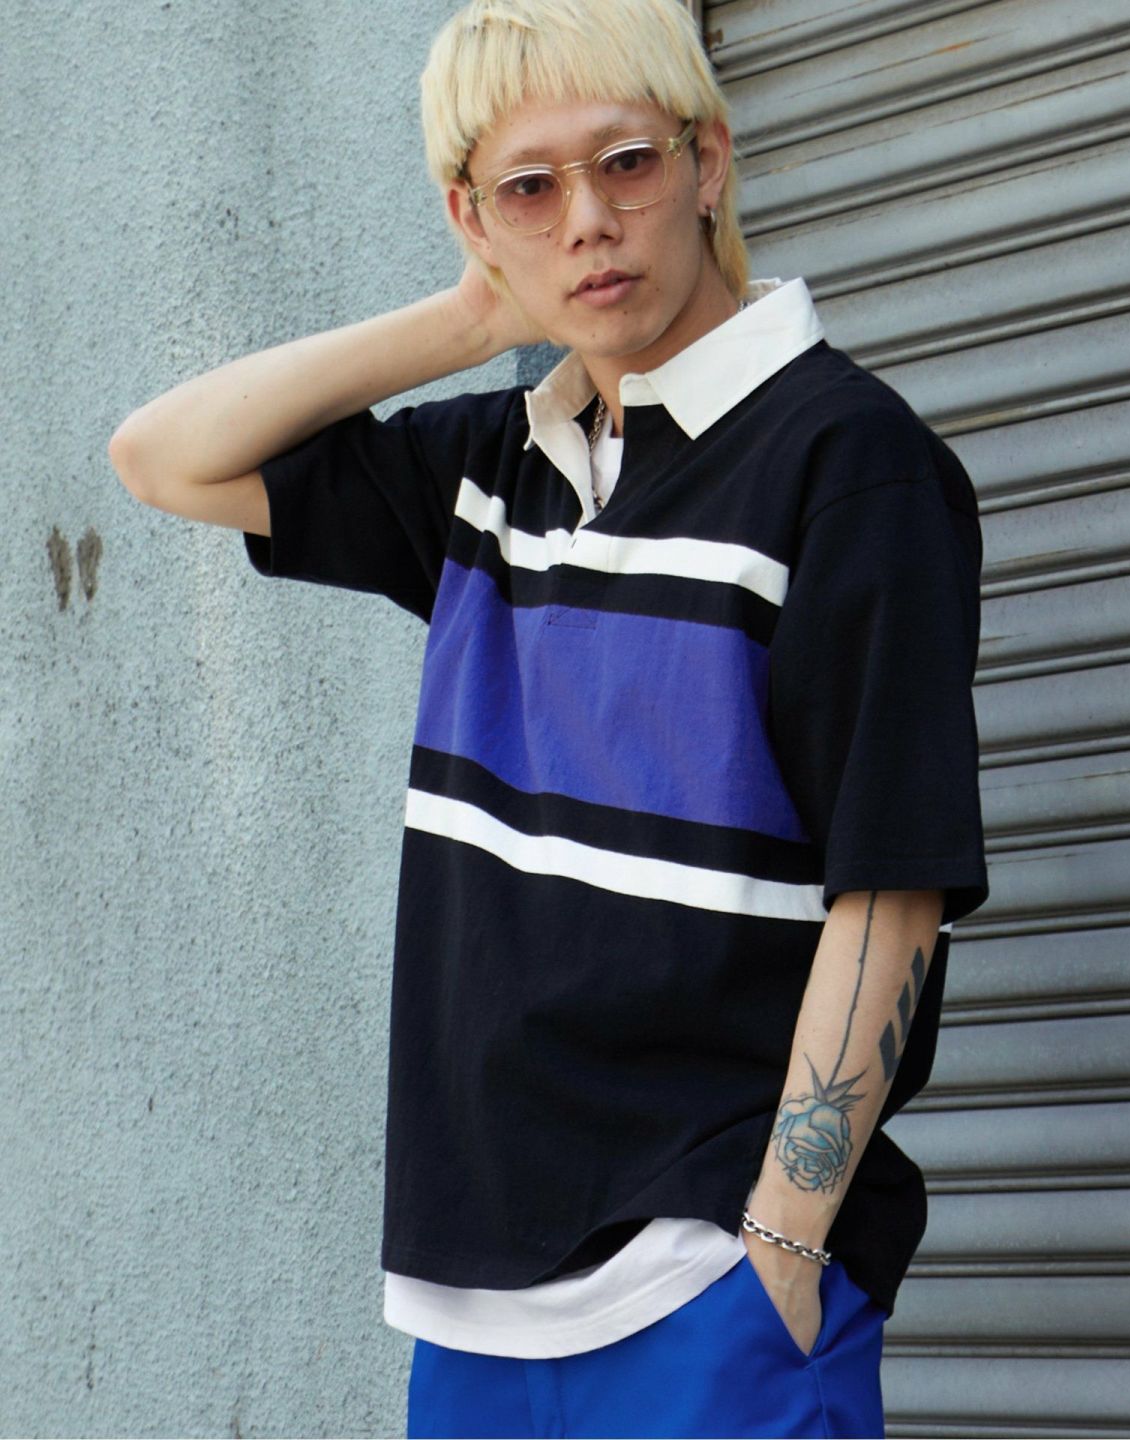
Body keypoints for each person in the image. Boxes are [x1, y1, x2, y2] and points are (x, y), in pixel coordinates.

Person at [108, 0, 989, 1434]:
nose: (588, 220)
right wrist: (472, 316)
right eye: (529, 188)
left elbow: (890, 886)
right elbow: (163, 457)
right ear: (472, 215)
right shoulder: (491, 478)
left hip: (712, 1284)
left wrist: (780, 1241)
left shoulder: (848, 462)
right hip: (475, 1312)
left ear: (708, 162)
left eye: (627, 163)